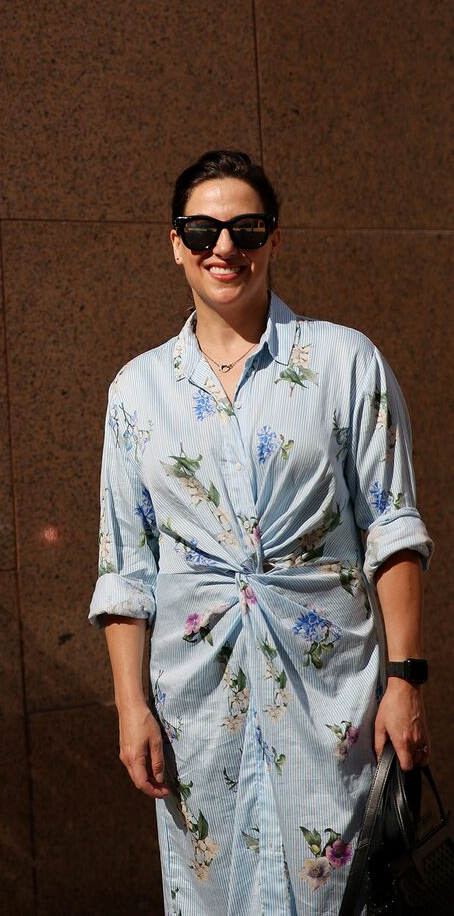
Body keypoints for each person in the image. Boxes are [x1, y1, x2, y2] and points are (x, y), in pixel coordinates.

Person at [88, 150, 432, 916]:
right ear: (174, 241)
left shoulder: (346, 362)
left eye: (245, 229)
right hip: (196, 703)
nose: (224, 248)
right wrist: (130, 705)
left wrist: (406, 678)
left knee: (338, 895)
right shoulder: (136, 391)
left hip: (332, 697)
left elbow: (393, 526)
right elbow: (125, 564)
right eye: (202, 229)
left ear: (274, 240)